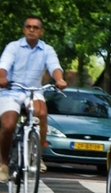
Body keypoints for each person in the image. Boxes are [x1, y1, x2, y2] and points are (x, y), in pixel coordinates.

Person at [0, 15, 67, 182]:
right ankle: (3, 164)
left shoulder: (47, 50)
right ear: (24, 29)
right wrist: (2, 77)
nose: (31, 30)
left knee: (42, 113)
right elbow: (3, 65)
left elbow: (55, 66)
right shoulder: (13, 47)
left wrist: (59, 79)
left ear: (41, 31)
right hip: (12, 90)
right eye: (28, 26)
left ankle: (37, 155)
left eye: (35, 27)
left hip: (34, 91)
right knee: (8, 126)